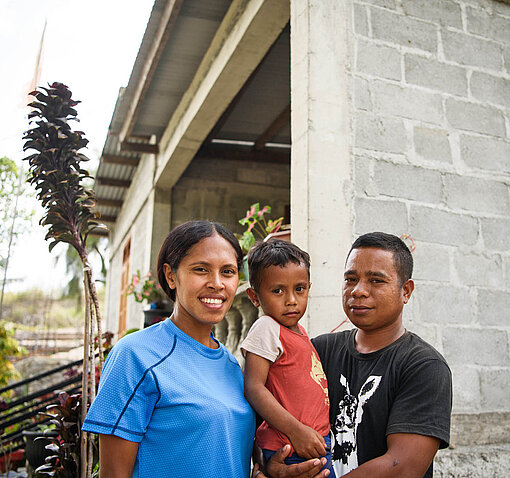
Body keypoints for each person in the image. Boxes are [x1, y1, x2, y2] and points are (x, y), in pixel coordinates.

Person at [259, 232, 452, 478]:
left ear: (406, 291)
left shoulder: (424, 366)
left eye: (376, 281)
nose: (358, 290)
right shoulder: (317, 351)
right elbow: (266, 421)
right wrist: (271, 467)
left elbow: (403, 467)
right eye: (350, 279)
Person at [82, 220, 256, 478]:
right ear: (171, 276)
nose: (217, 283)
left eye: (228, 272)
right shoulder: (135, 355)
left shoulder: (232, 365)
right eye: (201, 269)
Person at [240, 240, 334, 476]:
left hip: (312, 440)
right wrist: (297, 431)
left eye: (299, 289)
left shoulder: (300, 332)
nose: (291, 299)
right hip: (290, 444)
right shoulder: (267, 328)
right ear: (254, 296)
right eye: (278, 291)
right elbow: (253, 388)